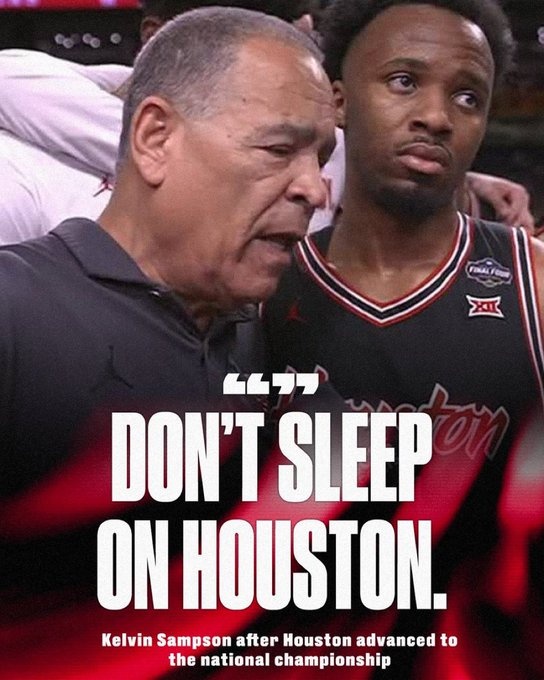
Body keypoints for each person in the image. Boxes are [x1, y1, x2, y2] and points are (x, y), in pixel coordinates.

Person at [0, 8, 336, 679]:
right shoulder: (13, 311)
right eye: (279, 150)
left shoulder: (264, 339)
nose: (316, 189)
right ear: (156, 138)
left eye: (321, 159)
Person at [264, 1, 544, 678]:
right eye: (403, 81)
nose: (437, 116)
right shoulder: (257, 284)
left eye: (467, 96)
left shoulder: (533, 282)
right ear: (337, 100)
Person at [0, 0, 534, 244]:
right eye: (277, 152)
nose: (309, 188)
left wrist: (461, 177)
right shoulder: (25, 159)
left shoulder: (329, 155)